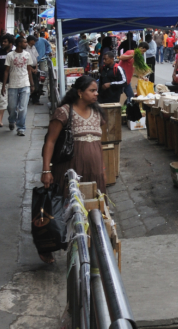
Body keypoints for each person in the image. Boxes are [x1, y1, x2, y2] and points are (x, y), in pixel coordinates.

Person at [40, 75, 107, 263]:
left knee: (92, 209)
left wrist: (102, 167)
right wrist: (46, 171)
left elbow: (99, 143)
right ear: (79, 92)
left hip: (94, 172)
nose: (96, 94)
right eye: (92, 90)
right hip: (70, 170)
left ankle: (88, 250)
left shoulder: (98, 114)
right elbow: (50, 141)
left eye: (96, 90)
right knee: (64, 209)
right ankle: (50, 245)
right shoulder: (64, 113)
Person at [2, 35, 35, 136]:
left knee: (22, 108)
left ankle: (21, 128)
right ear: (20, 44)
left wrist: (32, 84)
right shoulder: (10, 55)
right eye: (25, 42)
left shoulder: (27, 55)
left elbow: (29, 70)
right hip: (13, 85)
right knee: (12, 107)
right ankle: (12, 120)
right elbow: (6, 71)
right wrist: (4, 85)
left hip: (25, 84)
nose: (26, 44)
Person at [25, 34, 41, 104]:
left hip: (34, 67)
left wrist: (36, 68)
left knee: (36, 83)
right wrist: (31, 69)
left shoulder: (33, 47)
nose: (35, 42)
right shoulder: (25, 48)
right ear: (30, 41)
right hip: (28, 68)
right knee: (29, 84)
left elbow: (36, 58)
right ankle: (28, 98)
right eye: (34, 40)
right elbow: (25, 61)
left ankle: (35, 99)